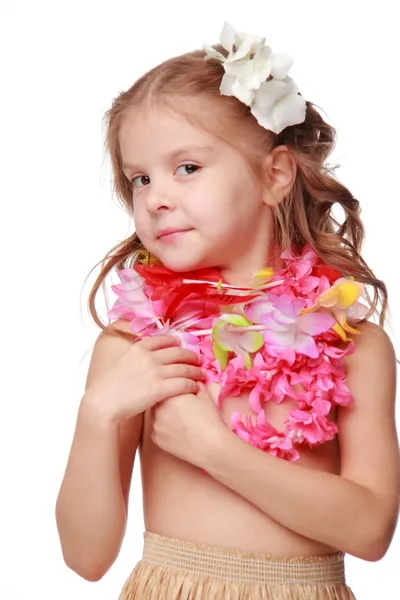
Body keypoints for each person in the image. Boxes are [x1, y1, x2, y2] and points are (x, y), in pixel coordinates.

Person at [55, 21, 399, 600]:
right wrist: (97, 415)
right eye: (139, 179)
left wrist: (214, 450)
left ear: (275, 175)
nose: (156, 196)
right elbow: (86, 559)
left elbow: (369, 530)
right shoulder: (137, 348)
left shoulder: (353, 344)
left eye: (187, 167)